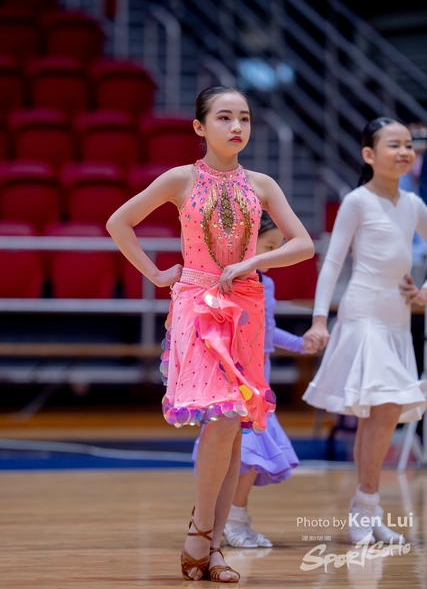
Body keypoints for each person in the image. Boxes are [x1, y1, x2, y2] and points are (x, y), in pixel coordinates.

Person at [106, 86, 314, 582]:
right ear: (200, 127)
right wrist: (157, 274)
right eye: (224, 117)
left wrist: (253, 261)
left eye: (244, 117)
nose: (237, 126)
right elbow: (119, 222)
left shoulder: (261, 184)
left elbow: (304, 244)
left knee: (233, 423)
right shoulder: (180, 178)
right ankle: (201, 531)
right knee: (222, 416)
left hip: (245, 307)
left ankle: (213, 547)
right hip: (197, 305)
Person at [302, 117, 427, 546]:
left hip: (397, 320)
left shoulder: (414, 205)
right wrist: (320, 319)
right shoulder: (356, 201)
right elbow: (333, 262)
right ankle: (365, 507)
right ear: (369, 154)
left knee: (380, 414)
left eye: (408, 144)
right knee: (385, 407)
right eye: (394, 144)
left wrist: (424, 292)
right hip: (363, 315)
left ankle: (366, 508)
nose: (405, 151)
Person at [192, 211, 318, 548]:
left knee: (248, 458)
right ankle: (224, 522)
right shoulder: (223, 279)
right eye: (270, 246)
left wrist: (301, 344)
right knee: (244, 456)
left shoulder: (267, 284)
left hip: (259, 384)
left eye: (279, 247)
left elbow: (268, 331)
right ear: (248, 242)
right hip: (231, 379)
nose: (275, 254)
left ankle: (232, 520)